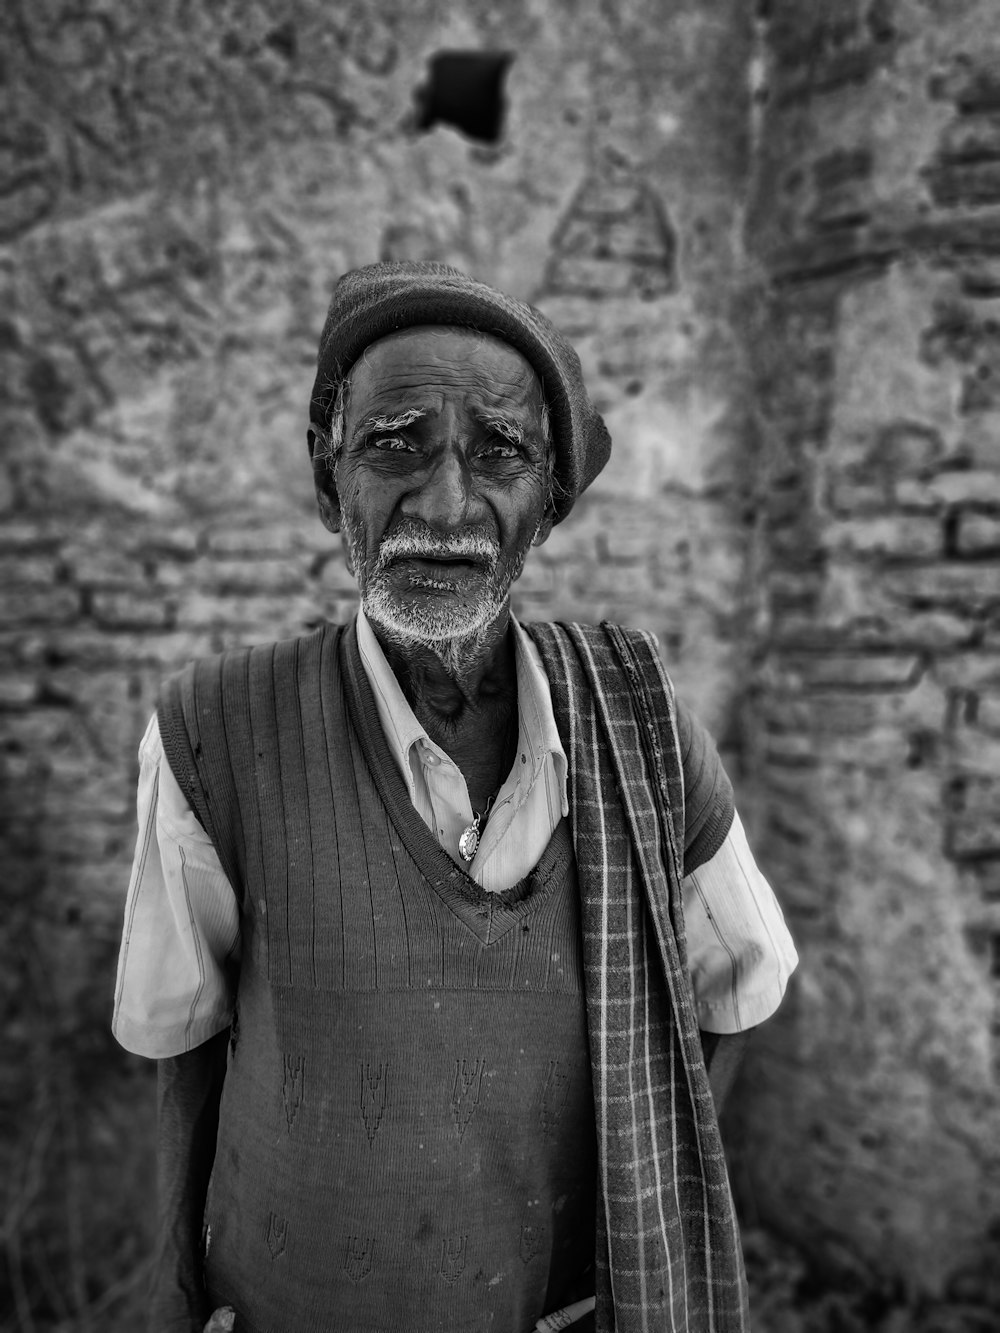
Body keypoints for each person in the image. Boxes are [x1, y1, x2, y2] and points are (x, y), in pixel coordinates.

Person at [113, 261, 797, 1333]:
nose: (443, 503)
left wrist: (632, 1220)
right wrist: (169, 1294)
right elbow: (178, 1040)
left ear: (551, 500)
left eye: (500, 452)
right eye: (394, 443)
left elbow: (734, 996)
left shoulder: (641, 727)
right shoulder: (214, 729)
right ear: (325, 471)